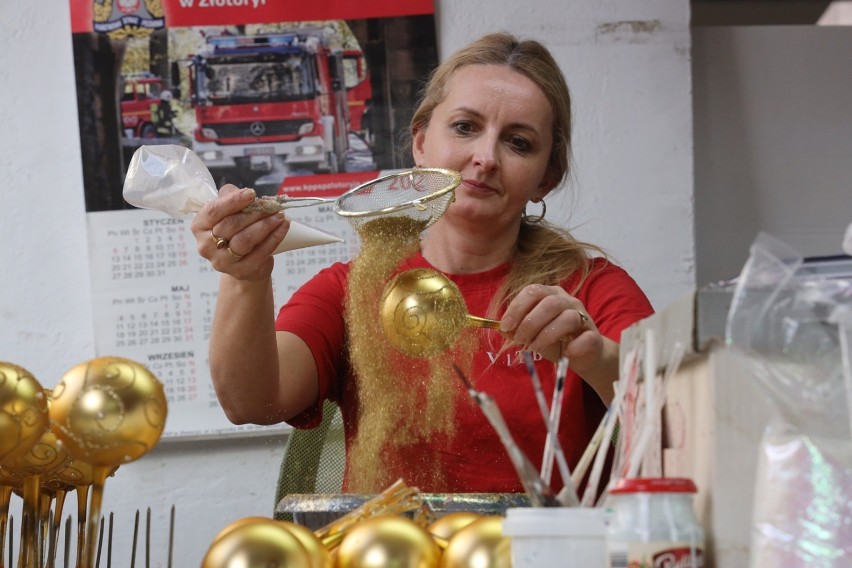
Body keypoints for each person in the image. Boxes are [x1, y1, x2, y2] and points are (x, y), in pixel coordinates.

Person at [191, 32, 654, 495]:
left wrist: (596, 358)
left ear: (546, 179)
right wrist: (244, 275)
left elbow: (674, 421)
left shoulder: (591, 289)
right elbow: (251, 400)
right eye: (465, 127)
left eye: (518, 142)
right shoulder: (350, 290)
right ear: (420, 144)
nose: (486, 158)